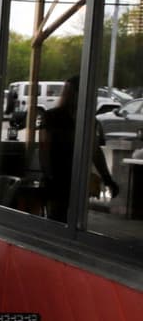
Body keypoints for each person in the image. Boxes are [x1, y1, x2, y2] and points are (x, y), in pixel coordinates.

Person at [39, 75, 119, 223]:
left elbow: (94, 150)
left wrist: (107, 178)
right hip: (58, 179)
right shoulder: (52, 117)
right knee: (57, 220)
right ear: (74, 93)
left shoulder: (89, 120)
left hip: (77, 180)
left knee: (74, 222)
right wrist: (50, 176)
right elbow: (45, 149)